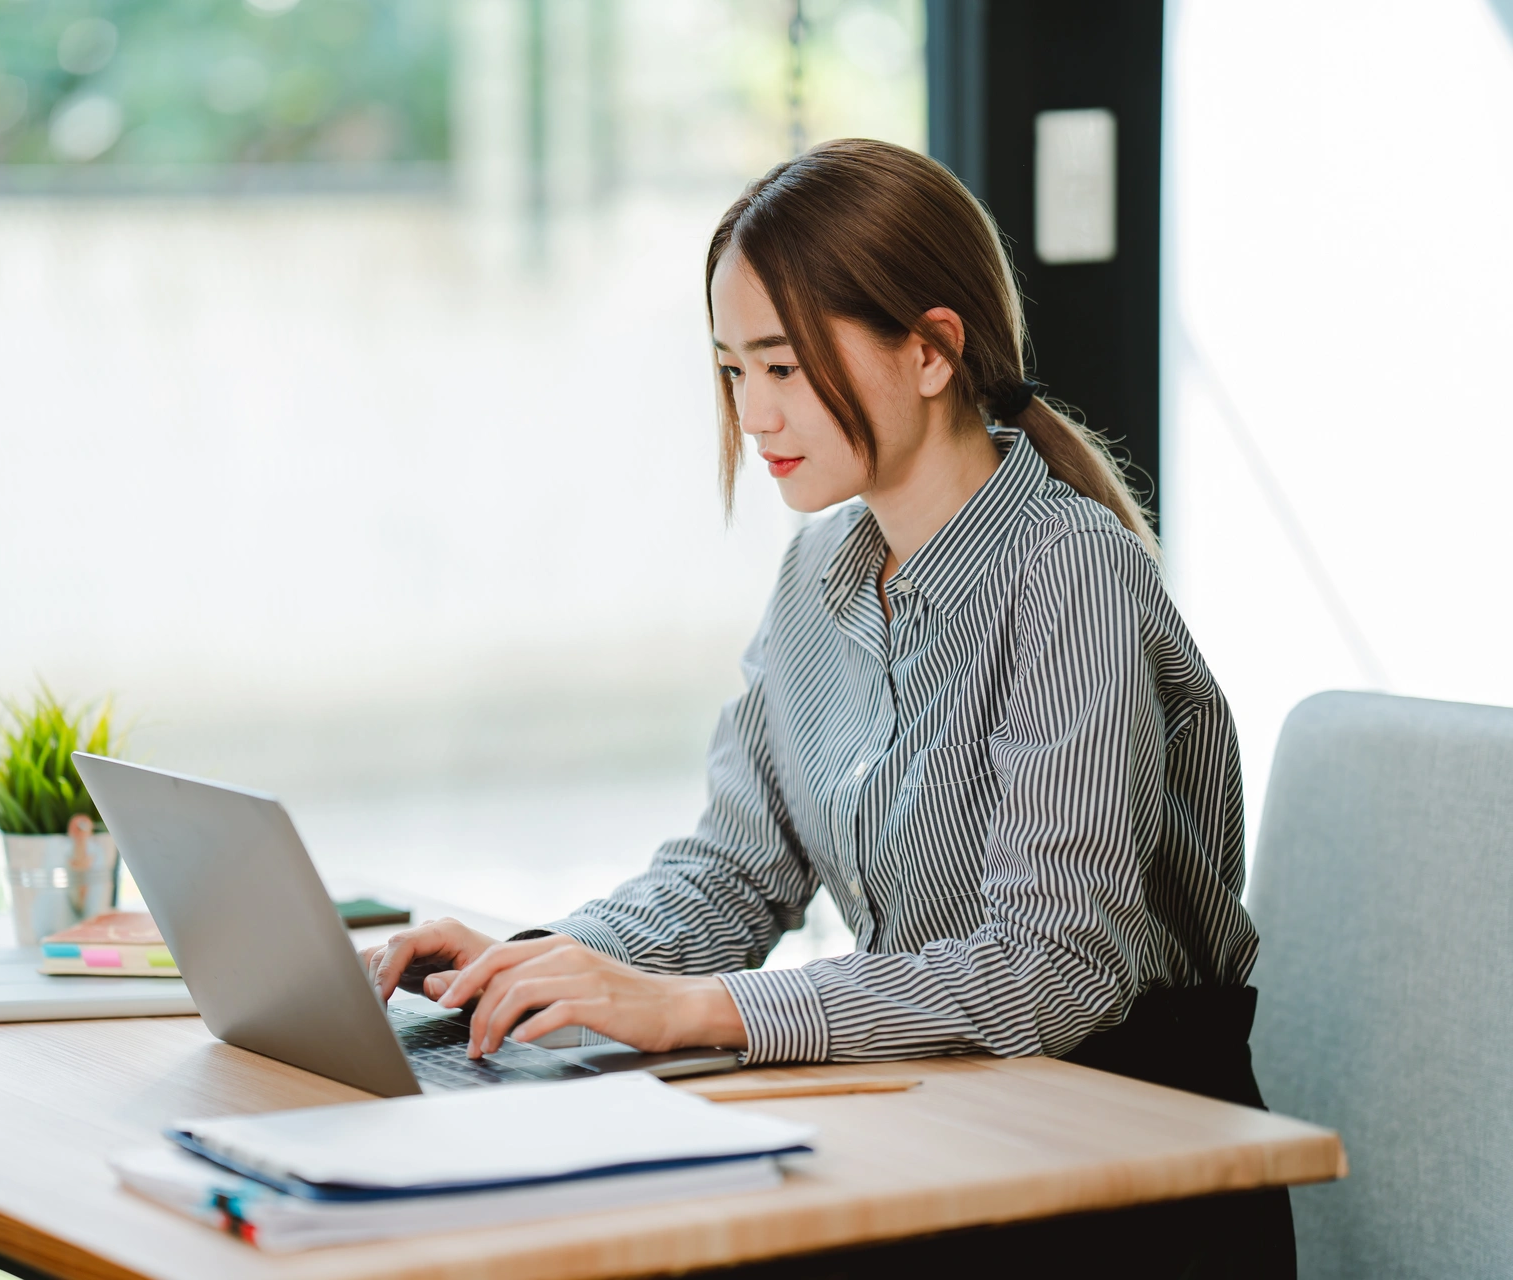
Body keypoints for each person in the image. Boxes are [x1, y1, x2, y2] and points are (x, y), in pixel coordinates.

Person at [362, 139, 1292, 1276]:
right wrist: (549, 960)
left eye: (785, 366)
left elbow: (1056, 966)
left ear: (933, 349)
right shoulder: (819, 575)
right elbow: (733, 874)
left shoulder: (1070, 575)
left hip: (1120, 1164)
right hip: (949, 1122)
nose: (754, 412)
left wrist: (698, 1008)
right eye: (731, 370)